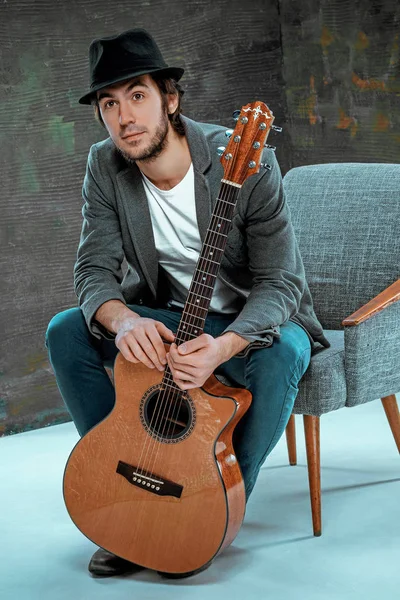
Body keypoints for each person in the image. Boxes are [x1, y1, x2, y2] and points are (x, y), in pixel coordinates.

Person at [45, 28, 330, 579]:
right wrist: (123, 321)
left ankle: (213, 504)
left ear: (169, 99)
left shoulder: (246, 160)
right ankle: (125, 485)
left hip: (245, 327)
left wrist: (224, 347)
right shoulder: (104, 167)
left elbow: (281, 283)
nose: (124, 116)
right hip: (171, 318)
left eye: (137, 96)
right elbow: (92, 270)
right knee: (66, 330)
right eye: (109, 103)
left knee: (287, 349)